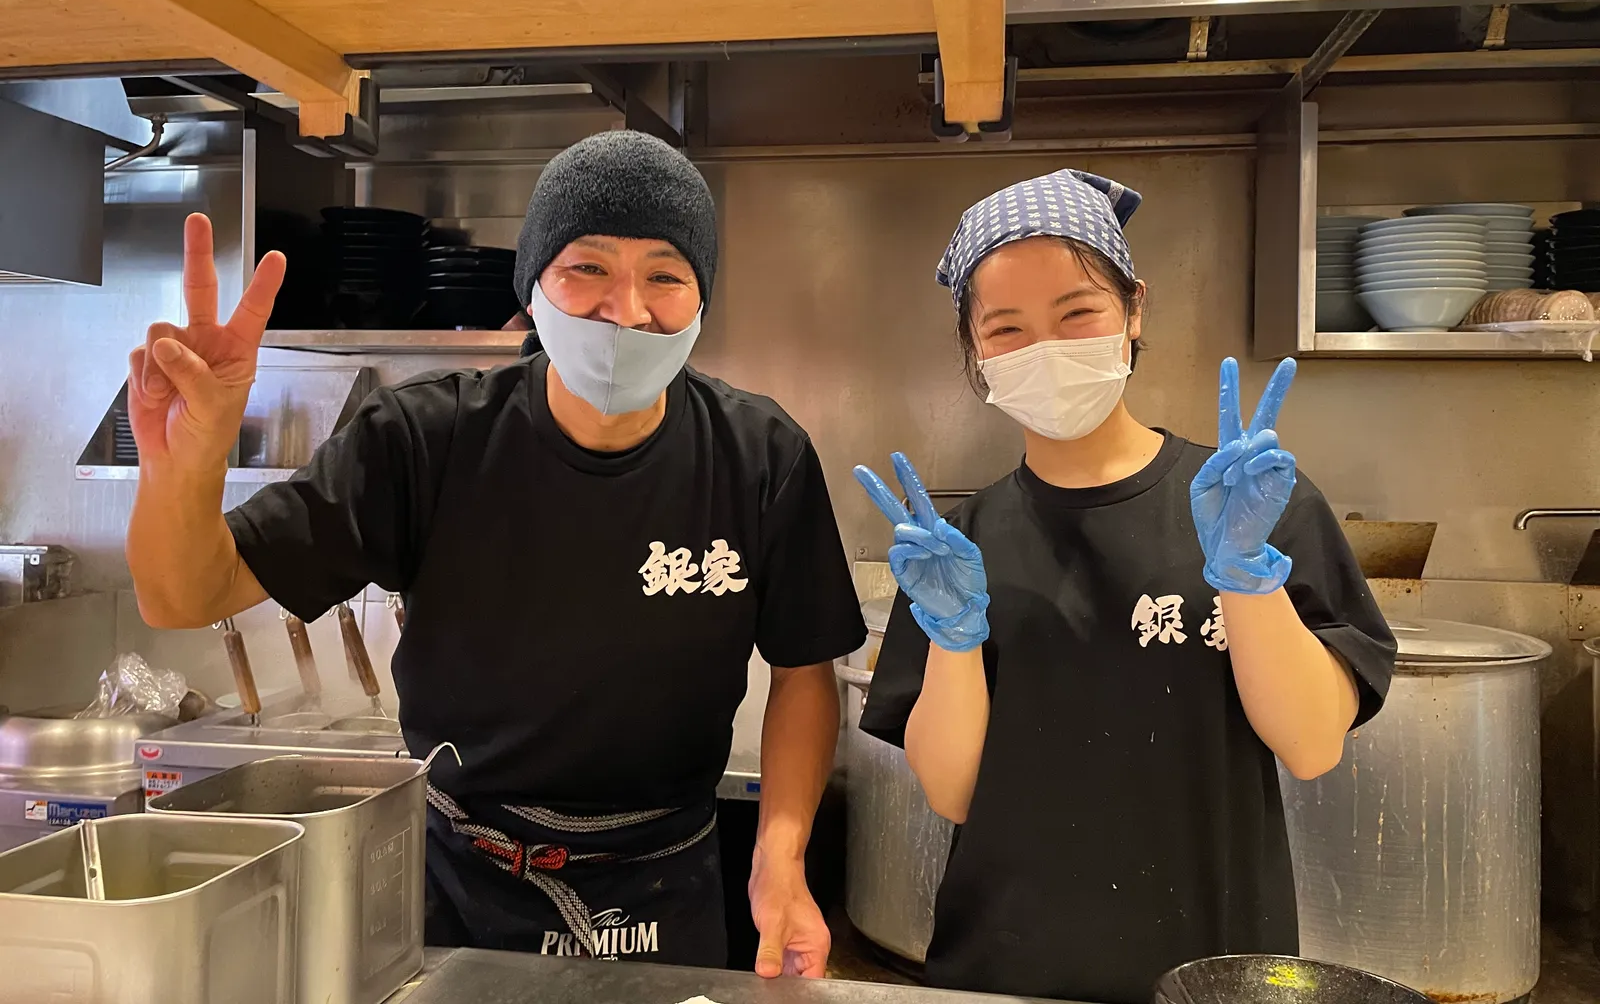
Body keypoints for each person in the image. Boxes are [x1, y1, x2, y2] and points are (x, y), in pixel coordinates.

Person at [126, 129, 865, 974]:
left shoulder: (761, 456)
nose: (626, 309)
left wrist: (780, 854)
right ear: (533, 287)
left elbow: (806, 671)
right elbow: (183, 596)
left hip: (668, 886)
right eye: (586, 268)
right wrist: (187, 465)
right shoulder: (423, 439)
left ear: (701, 301)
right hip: (454, 888)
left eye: (665, 275)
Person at [853, 169, 1396, 1004]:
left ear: (1134, 308)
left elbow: (1313, 744)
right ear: (975, 350)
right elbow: (954, 794)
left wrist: (1247, 581)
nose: (1046, 348)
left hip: (1213, 978)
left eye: (1077, 313)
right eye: (1006, 329)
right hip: (1004, 973)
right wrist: (956, 636)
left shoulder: (1244, 504)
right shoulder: (960, 546)